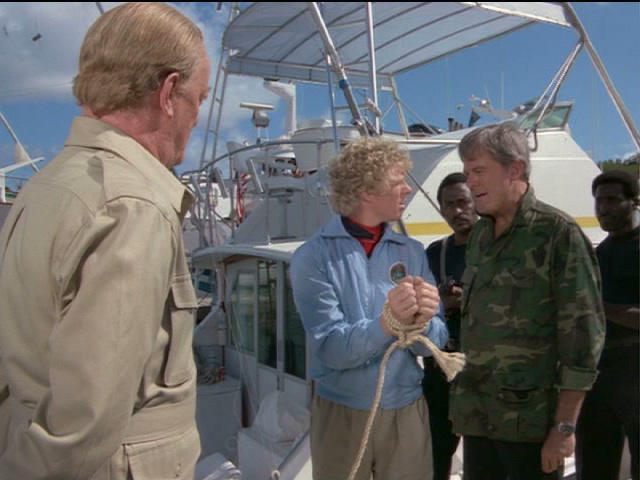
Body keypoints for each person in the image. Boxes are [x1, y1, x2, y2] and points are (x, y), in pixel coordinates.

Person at [0, 3, 211, 479]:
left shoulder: (47, 184)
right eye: (198, 98)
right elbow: (84, 424)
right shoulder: (133, 204)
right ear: (168, 93)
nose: (197, 117)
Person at [449, 122, 605, 480]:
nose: (470, 182)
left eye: (479, 171)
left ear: (515, 169)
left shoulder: (557, 234)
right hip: (478, 419)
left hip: (531, 426)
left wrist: (563, 429)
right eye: (467, 173)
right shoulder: (480, 236)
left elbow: (583, 339)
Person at [290, 136, 448, 480]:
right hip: (342, 413)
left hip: (407, 409)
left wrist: (424, 321)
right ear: (366, 191)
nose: (408, 188)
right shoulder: (313, 257)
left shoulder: (411, 251)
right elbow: (330, 348)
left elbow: (434, 343)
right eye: (397, 181)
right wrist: (389, 323)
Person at [576, 170, 639, 480]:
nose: (603, 208)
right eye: (599, 201)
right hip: (600, 375)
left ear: (634, 202)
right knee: (594, 463)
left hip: (635, 370)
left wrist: (597, 306)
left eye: (612, 200)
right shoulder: (598, 253)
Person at [423, 172, 478, 480]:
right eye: (449, 205)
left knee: (484, 454)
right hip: (442, 368)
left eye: (463, 202)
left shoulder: (497, 249)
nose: (457, 211)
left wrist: (465, 299)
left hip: (485, 370)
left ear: (475, 203)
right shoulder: (434, 254)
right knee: (436, 450)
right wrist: (440, 303)